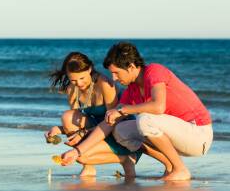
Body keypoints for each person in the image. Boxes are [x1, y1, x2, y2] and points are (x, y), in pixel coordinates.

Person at [61, 42, 213, 181]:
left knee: (145, 119)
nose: (113, 78)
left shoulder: (154, 71)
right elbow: (109, 123)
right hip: (178, 136)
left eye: (116, 73)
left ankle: (180, 169)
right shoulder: (131, 90)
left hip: (198, 135)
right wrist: (77, 151)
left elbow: (158, 106)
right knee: (121, 130)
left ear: (131, 67)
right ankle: (169, 166)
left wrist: (124, 110)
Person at [45, 52, 142, 177]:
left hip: (118, 131)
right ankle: (89, 168)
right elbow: (75, 125)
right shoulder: (72, 89)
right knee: (68, 117)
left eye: (82, 78)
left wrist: (83, 133)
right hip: (95, 129)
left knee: (80, 156)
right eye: (73, 80)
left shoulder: (104, 84)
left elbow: (113, 120)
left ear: (89, 69)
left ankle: (126, 159)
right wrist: (57, 130)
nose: (79, 84)